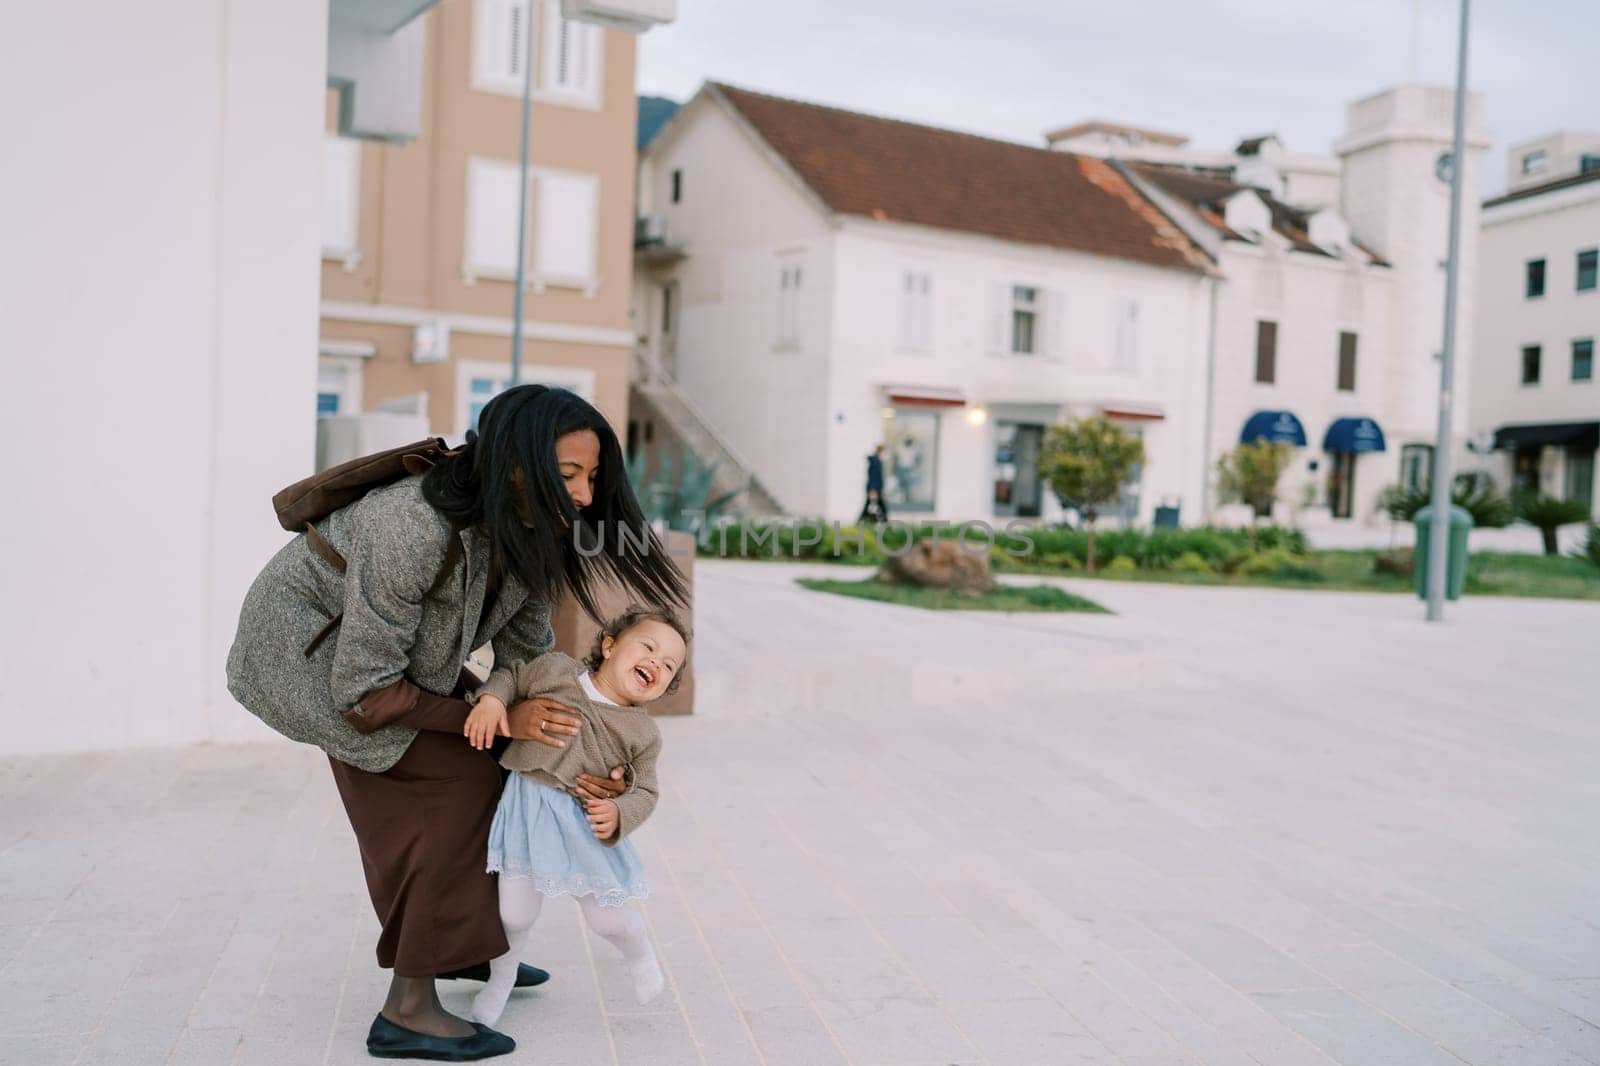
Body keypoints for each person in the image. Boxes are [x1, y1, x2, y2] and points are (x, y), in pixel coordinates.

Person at [226, 385, 687, 1061]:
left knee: (499, 771)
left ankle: (464, 949)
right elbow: (366, 693)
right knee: (448, 792)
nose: (586, 496)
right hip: (309, 662)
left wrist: (581, 749)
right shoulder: (410, 526)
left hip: (397, 666)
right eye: (568, 477)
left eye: (592, 478)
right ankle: (408, 1009)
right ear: (514, 465)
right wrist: (495, 719)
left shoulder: (534, 530)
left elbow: (530, 656)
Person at [461, 606, 690, 1026]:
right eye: (649, 647)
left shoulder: (642, 734)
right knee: (514, 913)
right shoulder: (556, 671)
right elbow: (512, 673)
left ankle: (639, 952)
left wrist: (618, 811)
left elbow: (646, 790)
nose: (657, 662)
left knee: (608, 917)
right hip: (526, 812)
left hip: (580, 825)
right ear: (609, 645)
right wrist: (493, 699)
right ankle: (501, 979)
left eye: (668, 665)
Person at [859, 445, 889, 523]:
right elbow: (873, 477)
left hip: (876, 490)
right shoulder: (875, 462)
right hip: (874, 490)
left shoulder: (877, 462)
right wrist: (873, 490)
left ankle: (861, 523)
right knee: (879, 508)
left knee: (877, 508)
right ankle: (861, 523)